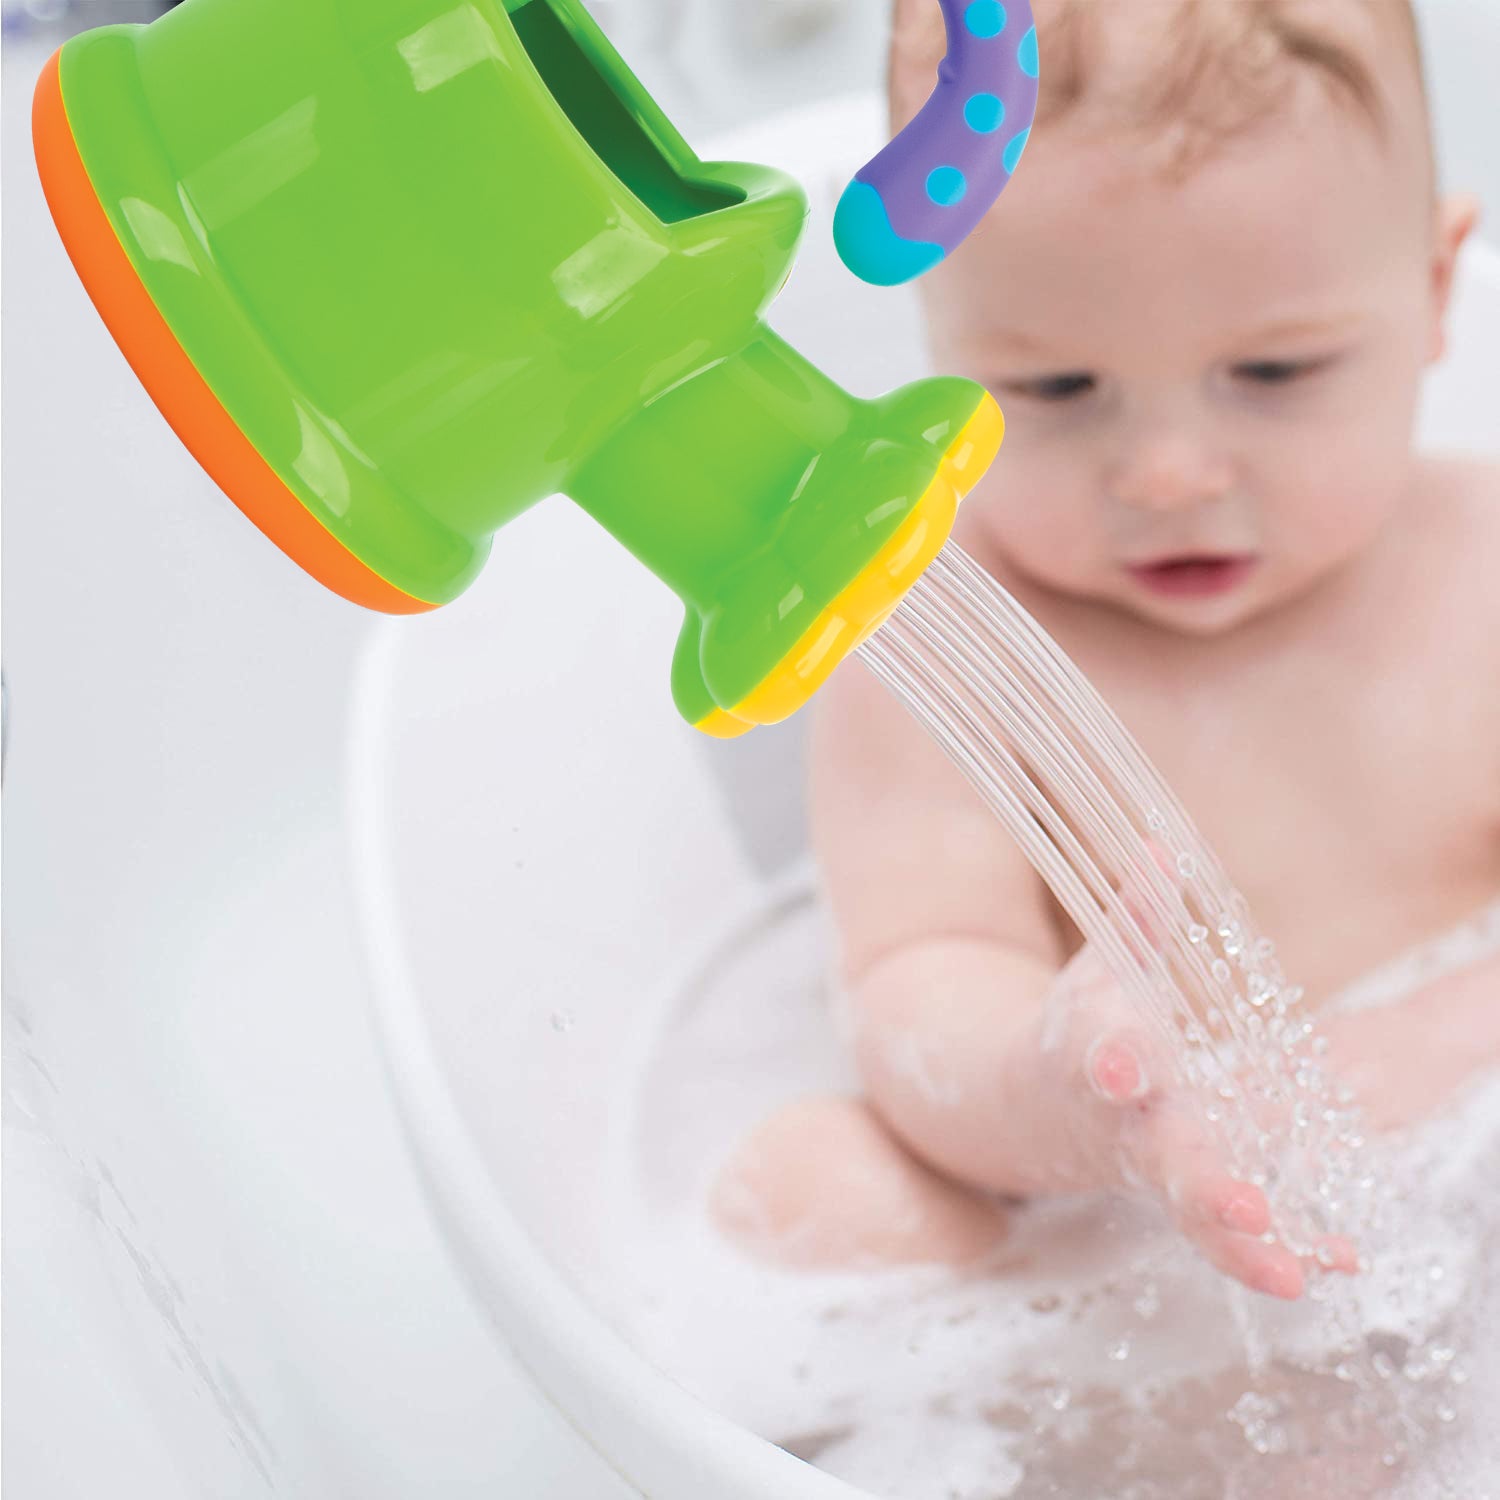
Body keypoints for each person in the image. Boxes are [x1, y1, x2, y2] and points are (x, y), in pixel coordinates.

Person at [710, 0, 1500, 1302]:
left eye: (1276, 371)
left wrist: (1432, 1041)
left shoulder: (1481, 574)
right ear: (938, 338)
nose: (1170, 473)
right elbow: (915, 972)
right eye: (1058, 391)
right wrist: (1058, 1089)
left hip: (1451, 1168)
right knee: (806, 1189)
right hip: (1116, 1235)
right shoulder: (937, 638)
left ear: (1430, 293)